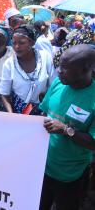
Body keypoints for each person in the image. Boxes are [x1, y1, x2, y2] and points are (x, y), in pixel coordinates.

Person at [39, 44, 95, 210]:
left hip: (70, 176)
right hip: (42, 168)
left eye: (65, 67)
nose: (58, 71)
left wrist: (65, 130)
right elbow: (44, 113)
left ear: (85, 69)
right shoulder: (58, 84)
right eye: (59, 65)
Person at [0, 25, 56, 115]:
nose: (17, 47)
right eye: (14, 43)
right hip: (18, 111)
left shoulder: (45, 57)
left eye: (21, 43)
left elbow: (53, 86)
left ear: (32, 43)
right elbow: (4, 93)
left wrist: (46, 105)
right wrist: (11, 115)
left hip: (43, 109)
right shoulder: (9, 64)